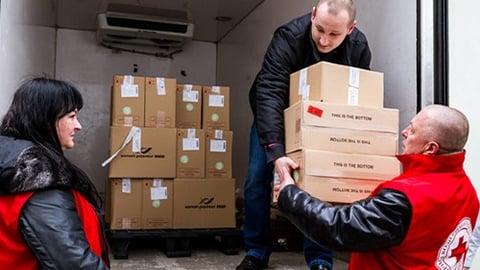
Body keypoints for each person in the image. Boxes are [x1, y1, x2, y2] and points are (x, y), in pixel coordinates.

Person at [237, 0, 371, 269]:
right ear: (312, 15)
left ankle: (320, 259)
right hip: (275, 115)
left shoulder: (358, 46)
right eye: (320, 29)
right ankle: (256, 252)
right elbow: (270, 91)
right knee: (256, 180)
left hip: (323, 121)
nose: (324, 40)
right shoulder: (289, 37)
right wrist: (275, 150)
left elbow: (357, 93)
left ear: (351, 28)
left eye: (334, 34)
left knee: (319, 184)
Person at [275, 104, 479, 269]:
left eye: (413, 130)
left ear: (430, 148)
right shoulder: (467, 191)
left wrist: (288, 192)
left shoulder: (406, 198)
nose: (404, 132)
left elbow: (338, 227)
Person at [0, 76, 110, 269]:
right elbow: (73, 263)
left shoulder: (12, 160)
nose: (78, 125)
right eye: (72, 116)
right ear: (46, 119)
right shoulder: (38, 179)